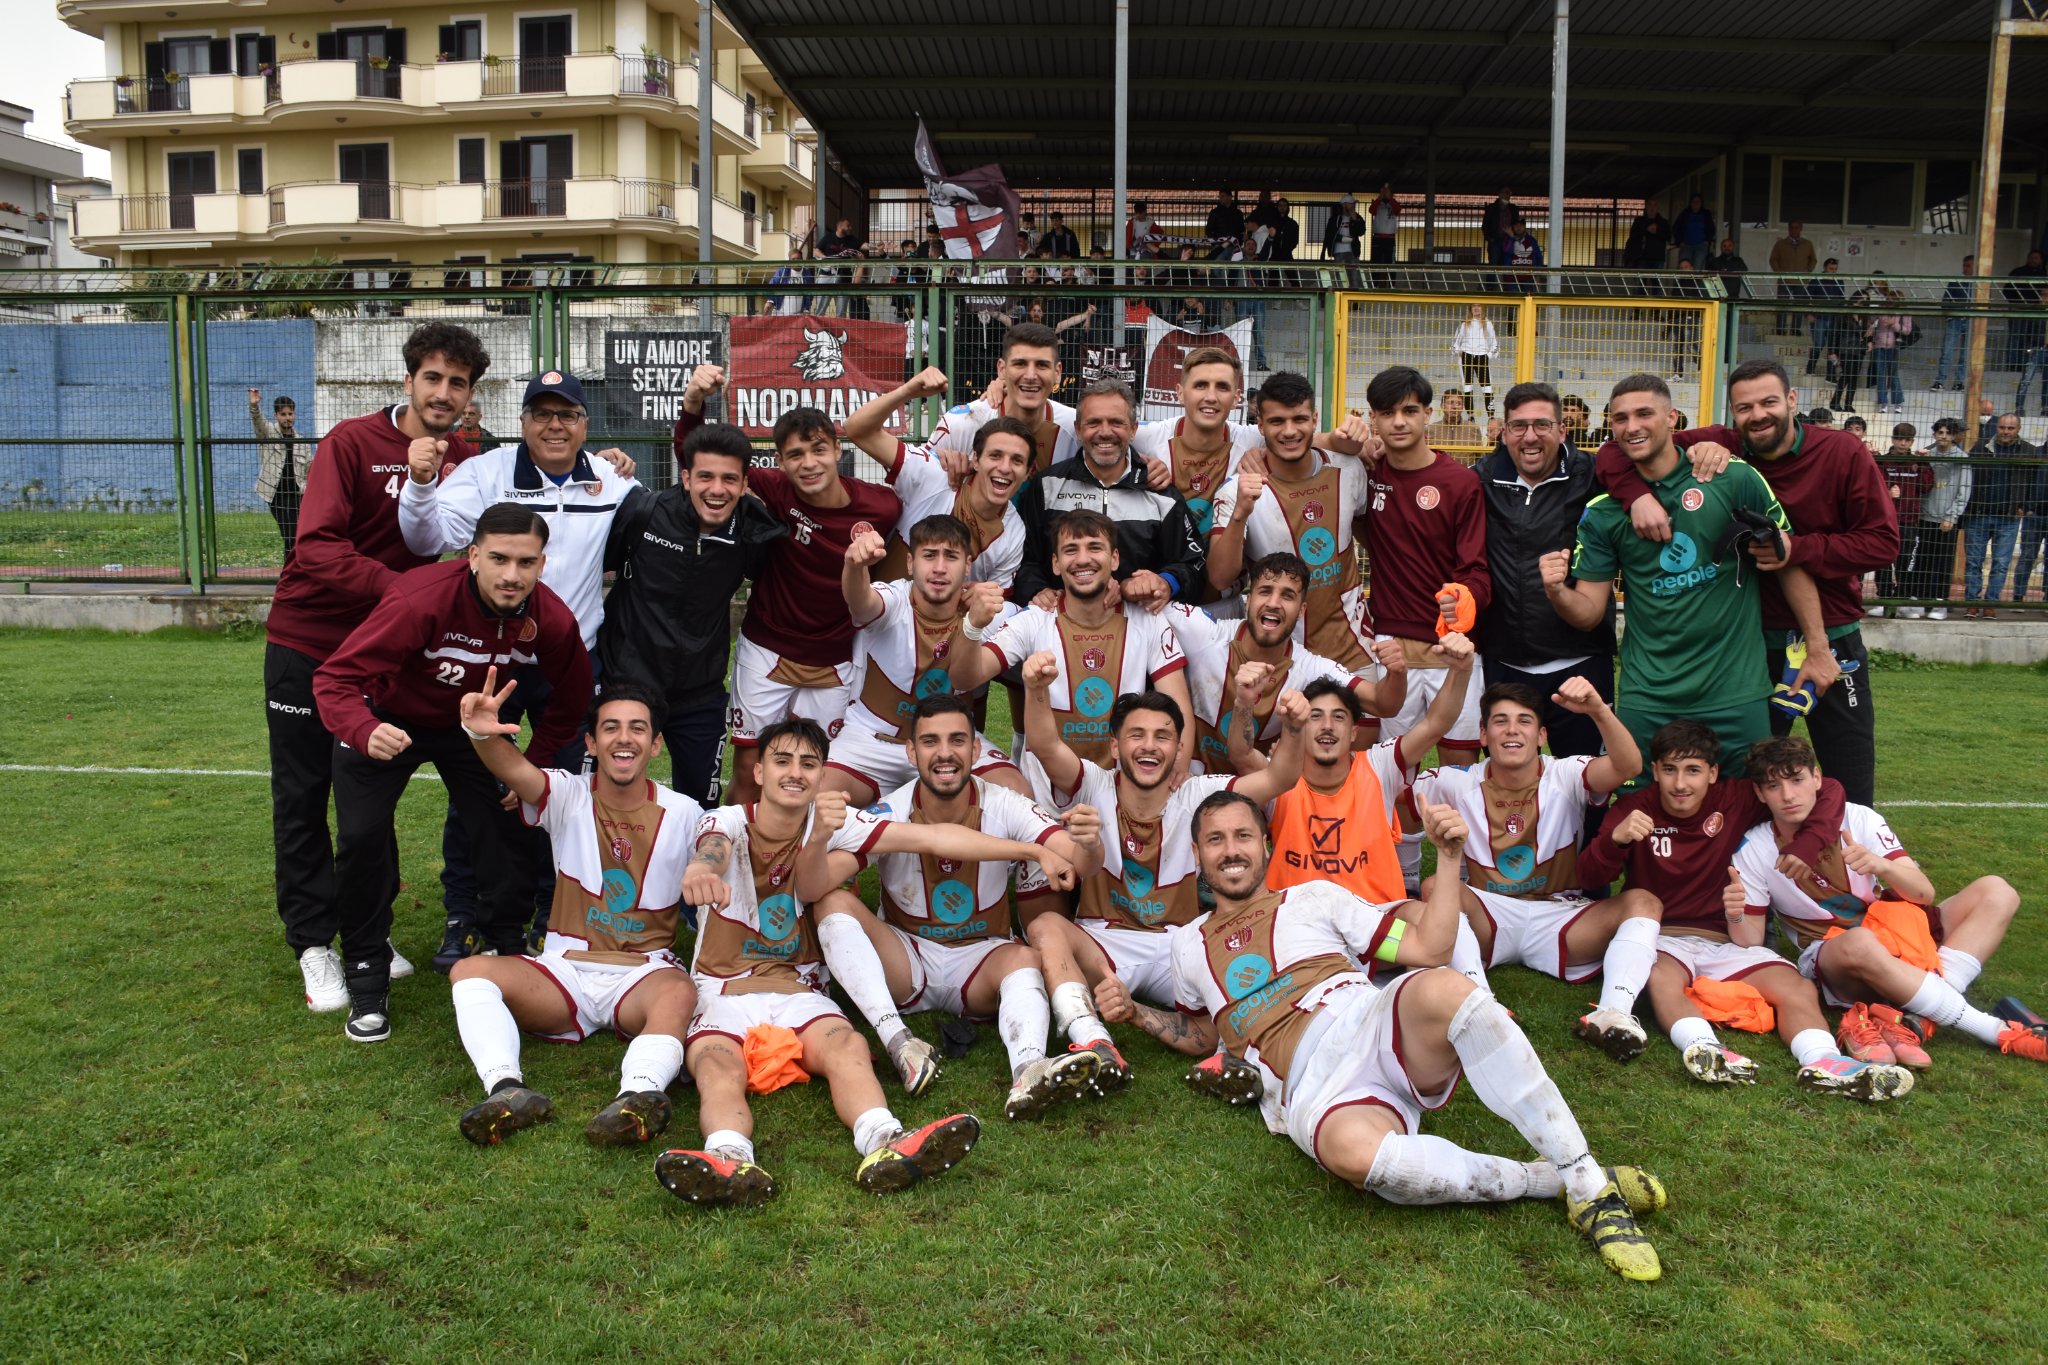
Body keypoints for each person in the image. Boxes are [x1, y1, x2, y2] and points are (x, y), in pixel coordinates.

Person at [1106, 789, 1666, 1281]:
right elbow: (1204, 1034)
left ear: (1265, 843)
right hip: (1310, 1086)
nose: (1231, 850)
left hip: (1367, 1021)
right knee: (1354, 1156)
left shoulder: (1314, 897)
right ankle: (1546, 1181)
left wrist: (1448, 861)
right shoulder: (1185, 945)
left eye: (1243, 836)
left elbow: (1428, 950)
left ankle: (1588, 1185)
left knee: (1446, 988)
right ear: (1198, 855)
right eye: (1215, 840)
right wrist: (1135, 1013)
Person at [653, 718, 982, 1205]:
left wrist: (1035, 848)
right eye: (782, 761)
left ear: (822, 774)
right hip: (723, 993)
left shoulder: (835, 824)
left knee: (847, 1046)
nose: (795, 773)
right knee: (717, 1067)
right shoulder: (724, 820)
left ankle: (885, 1141)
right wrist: (702, 870)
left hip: (800, 992)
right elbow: (712, 850)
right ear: (758, 770)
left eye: (808, 764)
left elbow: (933, 838)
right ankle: (727, 1156)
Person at [263, 321, 487, 1014]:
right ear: (409, 379)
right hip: (311, 643)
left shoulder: (470, 457)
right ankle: (312, 941)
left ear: (470, 393)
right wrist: (405, 593)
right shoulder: (351, 443)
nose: (443, 392)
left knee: (368, 798)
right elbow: (316, 548)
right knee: (303, 795)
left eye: (458, 382)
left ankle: (370, 927)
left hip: (391, 659)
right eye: (433, 378)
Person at [313, 504, 592, 1043]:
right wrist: (363, 726)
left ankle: (506, 949)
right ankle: (367, 975)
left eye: (526, 562)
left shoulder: (551, 618)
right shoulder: (421, 598)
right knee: (362, 836)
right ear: (473, 557)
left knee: (506, 824)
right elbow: (335, 678)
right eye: (499, 559)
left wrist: (534, 762)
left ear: (542, 564)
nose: (512, 574)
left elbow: (573, 698)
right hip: (388, 720)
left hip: (474, 728)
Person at [398, 369, 640, 960]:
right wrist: (422, 485)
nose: (554, 425)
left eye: (568, 415)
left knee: (561, 789)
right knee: (477, 786)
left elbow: (656, 527)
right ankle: (465, 911)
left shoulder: (609, 478)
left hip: (568, 656)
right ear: (524, 421)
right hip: (493, 658)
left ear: (585, 424)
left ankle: (551, 908)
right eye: (541, 413)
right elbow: (425, 537)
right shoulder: (486, 472)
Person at [1592, 360, 1896, 805]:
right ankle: (1750, 870)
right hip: (1754, 646)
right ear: (1732, 413)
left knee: (1848, 775)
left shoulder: (1843, 451)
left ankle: (1860, 866)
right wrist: (1636, 496)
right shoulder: (1724, 446)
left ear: (1792, 401)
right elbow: (1618, 450)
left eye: (1770, 402)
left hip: (1828, 634)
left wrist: (1795, 550)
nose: (1758, 415)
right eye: (1745, 407)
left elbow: (1882, 544)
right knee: (1758, 783)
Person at [797, 696, 1108, 1118]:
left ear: (976, 750)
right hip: (907, 959)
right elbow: (814, 885)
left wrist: (1090, 846)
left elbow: (1075, 859)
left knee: (1023, 958)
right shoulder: (891, 810)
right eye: (930, 741)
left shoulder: (1006, 804)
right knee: (834, 903)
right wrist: (818, 841)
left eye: (958, 740)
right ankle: (899, 1042)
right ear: (912, 752)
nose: (945, 753)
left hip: (982, 959)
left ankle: (1029, 1069)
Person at [1578, 721, 1913, 1103]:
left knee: (1797, 988)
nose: (1680, 784)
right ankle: (1706, 1048)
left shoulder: (1736, 799)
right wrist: (1615, 841)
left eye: (1693, 770)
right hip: (1661, 936)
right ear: (1654, 771)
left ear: (1714, 773)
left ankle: (1824, 1062)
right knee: (1659, 979)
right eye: (1669, 770)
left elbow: (1828, 791)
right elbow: (1588, 876)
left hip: (1726, 938)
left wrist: (1806, 846)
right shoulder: (1633, 807)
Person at [446, 678, 701, 1149]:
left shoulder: (686, 812)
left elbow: (721, 849)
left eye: (638, 728)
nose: (624, 738)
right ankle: (506, 1090)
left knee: (680, 991)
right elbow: (518, 771)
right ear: (591, 742)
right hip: (563, 972)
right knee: (469, 970)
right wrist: (483, 734)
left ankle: (637, 1097)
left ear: (656, 744)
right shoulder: (567, 793)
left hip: (642, 976)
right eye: (611, 728)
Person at [1553, 372, 1840, 779]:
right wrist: (1554, 589)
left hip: (1735, 692)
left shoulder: (1733, 477)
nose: (1632, 426)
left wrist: (1818, 645)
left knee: (1748, 814)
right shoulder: (1603, 511)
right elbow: (1586, 613)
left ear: (1672, 418)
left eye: (1644, 414)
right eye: (1620, 418)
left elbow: (1787, 560)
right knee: (1642, 820)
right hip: (1649, 695)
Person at [1019, 677, 1306, 1083]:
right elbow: (1046, 744)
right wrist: (1034, 687)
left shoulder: (1196, 794)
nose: (1150, 746)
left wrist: (1293, 728)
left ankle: (1245, 1061)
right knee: (1046, 925)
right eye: (1136, 735)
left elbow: (1279, 779)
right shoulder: (1093, 783)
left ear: (1177, 750)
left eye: (1163, 737)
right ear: (1116, 746)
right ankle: (1094, 1041)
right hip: (1106, 939)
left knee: (1248, 979)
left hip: (1181, 941)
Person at [1729, 735, 2038, 1069]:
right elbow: (1749, 940)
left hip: (1895, 931)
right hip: (1835, 956)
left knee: (1997, 891)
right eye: (1774, 786)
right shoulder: (1755, 847)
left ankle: (1916, 1013)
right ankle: (1991, 1029)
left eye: (1797, 780)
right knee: (1861, 941)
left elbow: (1924, 894)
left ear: (1816, 778)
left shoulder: (1859, 818)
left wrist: (1883, 865)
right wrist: (1735, 914)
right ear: (1760, 793)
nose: (1788, 795)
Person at [1409, 679, 1660, 1060]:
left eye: (1524, 721)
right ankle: (1479, 1002)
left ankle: (1614, 1014)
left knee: (1643, 901)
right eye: (1500, 721)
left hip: (1561, 915)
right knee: (1434, 887)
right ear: (1482, 733)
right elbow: (1393, 798)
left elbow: (1629, 765)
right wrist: (1423, 819)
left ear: (1542, 735)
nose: (1512, 730)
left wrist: (1597, 709)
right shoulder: (1455, 781)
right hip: (1489, 916)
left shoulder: (1566, 773)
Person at [696, 405, 901, 805]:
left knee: (818, 773)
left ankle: (805, 863)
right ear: (779, 462)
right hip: (767, 649)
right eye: (795, 455)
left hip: (837, 657)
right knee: (749, 771)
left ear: (838, 449)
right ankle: (741, 859)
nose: (808, 463)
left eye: (818, 450)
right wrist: (692, 409)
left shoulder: (883, 507)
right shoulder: (775, 487)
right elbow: (702, 458)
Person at [598, 374, 785, 805]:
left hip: (699, 694)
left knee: (700, 802)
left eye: (729, 480)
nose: (716, 490)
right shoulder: (644, 512)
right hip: (628, 681)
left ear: (744, 483)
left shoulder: (753, 531)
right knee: (610, 796)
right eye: (705, 477)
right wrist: (598, 466)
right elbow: (588, 559)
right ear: (685, 478)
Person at [1358, 365, 1491, 880]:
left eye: (1409, 411)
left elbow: (1476, 567)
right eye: (1386, 413)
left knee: (1460, 771)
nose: (1398, 423)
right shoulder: (1367, 474)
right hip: (1391, 648)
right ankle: (1405, 876)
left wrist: (1464, 602)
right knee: (1398, 770)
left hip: (1449, 651)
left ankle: (1463, 883)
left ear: (1429, 414)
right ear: (1372, 419)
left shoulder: (1460, 482)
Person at [952, 509, 1197, 774]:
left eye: (1094, 548)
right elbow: (965, 679)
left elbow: (1178, 708)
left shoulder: (1147, 619)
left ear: (1114, 559)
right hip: (1047, 795)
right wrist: (973, 625)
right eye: (1071, 550)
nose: (1082, 560)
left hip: (1121, 790)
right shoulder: (1034, 619)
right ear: (1055, 564)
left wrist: (1178, 774)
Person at [822, 515, 1032, 807]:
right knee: (819, 799)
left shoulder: (989, 611)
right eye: (929, 555)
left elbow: (1044, 624)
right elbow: (861, 600)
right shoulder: (894, 598)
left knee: (1017, 795)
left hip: (951, 742)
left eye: (951, 556)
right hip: (873, 740)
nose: (939, 568)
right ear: (910, 563)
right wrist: (854, 566)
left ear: (968, 565)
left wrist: (1051, 597)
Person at [1266, 646, 1475, 906]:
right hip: (1298, 922)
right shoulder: (1277, 775)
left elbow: (1436, 723)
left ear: (1354, 732)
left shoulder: (1378, 766)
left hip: (1377, 919)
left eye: (1338, 717)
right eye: (1315, 716)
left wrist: (1461, 669)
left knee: (1439, 933)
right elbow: (1240, 755)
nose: (1328, 725)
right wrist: (1243, 703)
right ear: (1301, 725)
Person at [1476, 383, 1618, 764]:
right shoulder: (1482, 479)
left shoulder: (1593, 473)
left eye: (1542, 424)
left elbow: (1651, 449)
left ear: (1562, 430)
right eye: (1518, 426)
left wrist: (1708, 444)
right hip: (1505, 664)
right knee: (1511, 781)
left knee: (1590, 783)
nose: (1530, 436)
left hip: (1580, 663)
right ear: (1503, 433)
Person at [1170, 552, 1406, 774]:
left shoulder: (1309, 668)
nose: (1274, 603)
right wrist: (1161, 582)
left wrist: (1397, 673)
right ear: (1248, 599)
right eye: (1265, 591)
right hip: (1189, 783)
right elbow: (1145, 605)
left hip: (1258, 796)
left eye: (1287, 595)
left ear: (1302, 610)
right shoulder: (1207, 634)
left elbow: (1383, 703)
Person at [1205, 371, 1376, 673]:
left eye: (1299, 419)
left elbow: (1370, 536)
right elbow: (1220, 578)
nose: (1289, 431)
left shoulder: (1348, 468)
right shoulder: (1238, 490)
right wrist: (1241, 513)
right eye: (1276, 421)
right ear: (1260, 425)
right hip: (1278, 660)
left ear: (1314, 419)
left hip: (1354, 653)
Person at [1008, 381, 1207, 608]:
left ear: (1133, 429)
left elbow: (1194, 564)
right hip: (1060, 621)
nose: (1104, 432)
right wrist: (1036, 589)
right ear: (1078, 429)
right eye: (1093, 422)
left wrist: (1166, 583)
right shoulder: (1047, 486)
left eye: (1116, 422)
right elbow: (1023, 558)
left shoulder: (1162, 494)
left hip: (1138, 624)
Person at [843, 369, 1029, 590]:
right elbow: (857, 429)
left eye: (1017, 460)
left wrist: (977, 598)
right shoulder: (934, 474)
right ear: (976, 460)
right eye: (995, 456)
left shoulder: (1014, 530)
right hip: (882, 619)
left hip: (954, 624)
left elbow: (998, 603)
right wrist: (908, 391)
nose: (1005, 467)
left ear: (1028, 472)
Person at [918, 322, 1078, 483]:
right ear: (1002, 369)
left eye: (1042, 365)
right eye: (1020, 364)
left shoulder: (1076, 427)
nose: (1030, 376)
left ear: (1057, 372)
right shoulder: (962, 423)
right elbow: (918, 482)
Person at [1960, 412, 2028, 618]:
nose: (2005, 432)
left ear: (2018, 429)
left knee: (2000, 563)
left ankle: (1991, 602)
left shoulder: (2028, 451)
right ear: (1996, 427)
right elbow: (1967, 477)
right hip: (1978, 514)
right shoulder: (1980, 447)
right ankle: (1972, 602)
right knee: (1973, 562)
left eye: (2010, 428)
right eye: (2002, 427)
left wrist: (2026, 505)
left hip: (2008, 518)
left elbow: (2035, 481)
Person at [1912, 417, 1968, 618]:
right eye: (1940, 432)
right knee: (1922, 559)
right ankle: (1919, 599)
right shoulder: (1926, 454)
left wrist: (1952, 516)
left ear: (1954, 436)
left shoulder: (1962, 458)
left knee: (1942, 561)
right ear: (1934, 434)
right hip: (1925, 516)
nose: (1943, 436)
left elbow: (1964, 491)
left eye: (1947, 433)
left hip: (1946, 519)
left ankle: (1939, 602)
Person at [1877, 422, 1931, 613]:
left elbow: (1926, 486)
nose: (1902, 443)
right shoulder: (1882, 461)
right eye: (1899, 439)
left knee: (1905, 560)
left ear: (1912, 442)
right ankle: (1883, 598)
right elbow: (1871, 485)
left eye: (1907, 440)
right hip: (1884, 521)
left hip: (1909, 520)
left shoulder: (1917, 463)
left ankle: (1900, 598)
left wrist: (1924, 464)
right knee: (1882, 561)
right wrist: (1886, 491)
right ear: (1893, 439)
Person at [249, 387, 308, 557]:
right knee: (291, 535)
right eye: (283, 414)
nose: (288, 418)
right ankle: (291, 575)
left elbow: (309, 467)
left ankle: (293, 573)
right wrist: (254, 405)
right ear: (276, 416)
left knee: (297, 536)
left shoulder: (302, 442)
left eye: (290, 414)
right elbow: (258, 422)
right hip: (276, 494)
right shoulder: (268, 433)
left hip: (297, 494)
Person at [1862, 285, 1912, 416]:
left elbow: (1907, 330)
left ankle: (1897, 403)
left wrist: (1894, 324)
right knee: (1880, 375)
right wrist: (1872, 327)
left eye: (1892, 300)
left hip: (1894, 346)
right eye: (1888, 299)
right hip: (1879, 345)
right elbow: (1870, 322)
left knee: (1893, 375)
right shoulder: (1881, 310)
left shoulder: (1904, 313)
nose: (1889, 302)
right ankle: (1883, 402)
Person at [1933, 256, 1975, 391]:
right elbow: (1945, 301)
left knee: (1965, 354)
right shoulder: (1956, 281)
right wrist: (1950, 315)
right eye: (1964, 265)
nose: (1965, 268)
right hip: (1955, 319)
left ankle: (1959, 382)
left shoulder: (1981, 283)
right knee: (1947, 351)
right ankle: (1940, 381)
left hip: (1971, 320)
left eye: (1969, 265)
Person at [1769, 221, 1817, 333]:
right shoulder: (1780, 244)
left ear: (1800, 229)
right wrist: (1779, 271)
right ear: (1788, 229)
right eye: (1792, 227)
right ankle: (1780, 329)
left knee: (1799, 305)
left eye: (1797, 227)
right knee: (1782, 305)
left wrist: (1808, 270)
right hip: (1784, 279)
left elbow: (1813, 259)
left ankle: (1796, 328)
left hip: (1801, 280)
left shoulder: (1807, 244)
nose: (1794, 230)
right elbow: (1773, 259)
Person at [1452, 304, 1499, 416]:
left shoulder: (1488, 324)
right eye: (1473, 306)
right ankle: (1470, 416)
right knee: (1467, 387)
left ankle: (1491, 416)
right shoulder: (1464, 324)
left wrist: (1488, 355)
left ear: (1483, 308)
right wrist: (1460, 352)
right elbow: (1455, 344)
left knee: (1487, 388)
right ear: (1470, 309)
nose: (1476, 308)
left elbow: (1494, 344)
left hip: (1482, 356)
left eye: (1479, 306)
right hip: (1466, 356)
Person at [1806, 257, 1844, 378]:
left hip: (1833, 318)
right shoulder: (1816, 280)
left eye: (1835, 269)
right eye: (1830, 268)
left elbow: (1841, 300)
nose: (1833, 271)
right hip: (1819, 317)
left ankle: (1831, 374)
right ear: (1825, 268)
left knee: (1832, 346)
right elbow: (1806, 298)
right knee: (1819, 344)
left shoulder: (1839, 280)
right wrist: (1808, 314)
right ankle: (1810, 368)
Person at [1323, 194, 1365, 283]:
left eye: (1353, 204)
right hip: (1338, 253)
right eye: (1350, 204)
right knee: (1338, 279)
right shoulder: (1335, 219)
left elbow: (1361, 232)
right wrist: (1347, 239)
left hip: (1353, 253)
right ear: (1344, 205)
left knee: (1355, 279)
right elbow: (1330, 235)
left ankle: (1353, 296)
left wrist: (1355, 219)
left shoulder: (1358, 217)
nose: (1352, 206)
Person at [1672, 194, 1716, 271]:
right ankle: (1682, 283)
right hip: (1686, 246)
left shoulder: (1706, 214)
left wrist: (1707, 241)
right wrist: (1680, 241)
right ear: (1690, 203)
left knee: (1698, 269)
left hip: (1701, 246)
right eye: (1693, 201)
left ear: (1701, 203)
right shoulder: (1685, 213)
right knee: (1683, 268)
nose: (1695, 203)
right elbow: (1675, 228)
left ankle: (1696, 283)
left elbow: (1711, 229)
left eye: (1698, 201)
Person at [1623, 199, 1669, 268]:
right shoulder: (1639, 221)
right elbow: (1633, 235)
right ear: (1646, 207)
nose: (1652, 207)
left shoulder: (1663, 222)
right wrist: (1646, 230)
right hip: (1641, 257)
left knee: (1657, 278)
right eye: (1650, 205)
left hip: (1658, 257)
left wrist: (1657, 232)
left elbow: (1668, 236)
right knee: (1640, 278)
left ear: (1657, 207)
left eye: (1654, 205)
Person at [1367, 184, 1401, 265]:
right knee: (1375, 261)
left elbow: (1398, 210)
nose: (1385, 193)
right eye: (1384, 191)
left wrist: (1390, 198)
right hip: (1377, 237)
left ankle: (1390, 277)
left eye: (1387, 191)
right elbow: (1371, 210)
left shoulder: (1394, 203)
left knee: (1390, 262)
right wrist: (1380, 197)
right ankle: (1375, 277)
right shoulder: (1377, 203)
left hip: (1390, 238)